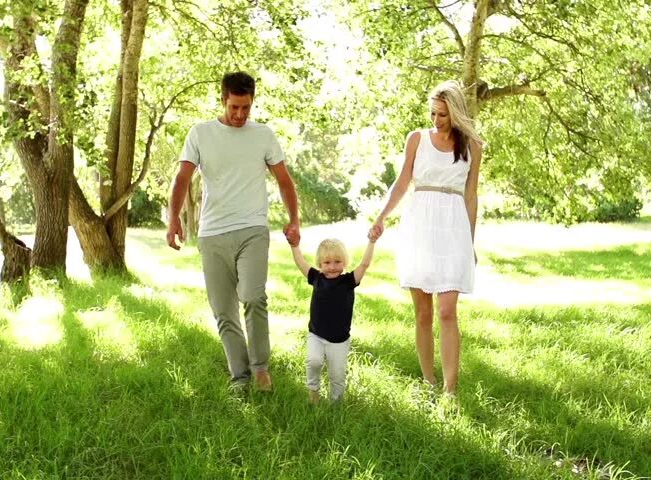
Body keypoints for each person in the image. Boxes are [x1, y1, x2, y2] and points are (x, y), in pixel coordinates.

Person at [166, 71, 300, 392]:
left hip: (253, 228)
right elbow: (182, 178)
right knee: (224, 310)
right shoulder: (200, 134)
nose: (240, 115)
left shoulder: (263, 135)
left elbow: (284, 181)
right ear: (223, 99)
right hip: (212, 233)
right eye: (234, 107)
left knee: (254, 297)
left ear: (252, 103)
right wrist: (173, 219)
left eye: (246, 108)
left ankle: (260, 369)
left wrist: (294, 219)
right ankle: (239, 377)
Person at [369, 80, 482, 397]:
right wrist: (381, 217)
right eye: (433, 113)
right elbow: (401, 182)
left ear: (456, 114)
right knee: (423, 312)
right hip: (419, 224)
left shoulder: (472, 147)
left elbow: (471, 197)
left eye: (443, 115)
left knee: (447, 310)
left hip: (453, 227)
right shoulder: (417, 139)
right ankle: (428, 382)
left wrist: (469, 243)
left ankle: (449, 390)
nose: (436, 120)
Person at [289, 237, 375, 404]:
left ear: (345, 261)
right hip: (316, 335)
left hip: (339, 340)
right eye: (327, 262)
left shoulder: (349, 281)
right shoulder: (316, 278)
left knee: (337, 375)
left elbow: (364, 264)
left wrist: (371, 242)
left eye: (337, 261)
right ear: (320, 264)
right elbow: (300, 262)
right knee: (313, 361)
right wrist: (295, 246)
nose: (333, 266)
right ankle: (313, 392)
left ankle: (336, 405)